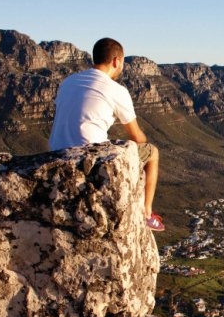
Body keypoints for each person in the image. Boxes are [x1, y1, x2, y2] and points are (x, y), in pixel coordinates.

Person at [49, 37, 164, 231]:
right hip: (88, 159)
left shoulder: (68, 82)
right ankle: (146, 213)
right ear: (116, 61)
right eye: (122, 63)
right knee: (152, 152)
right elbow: (137, 137)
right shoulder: (116, 90)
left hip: (55, 154)